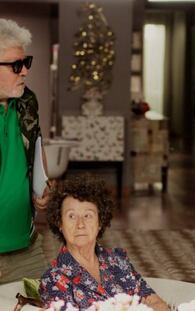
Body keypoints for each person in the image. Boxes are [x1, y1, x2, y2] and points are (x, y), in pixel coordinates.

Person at [40, 175, 168, 311]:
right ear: (60, 223)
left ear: (100, 222)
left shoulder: (118, 261)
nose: (80, 224)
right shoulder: (53, 280)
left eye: (88, 215)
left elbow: (160, 305)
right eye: (71, 216)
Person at [0, 18, 50, 284]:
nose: (24, 72)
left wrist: (41, 186)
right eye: (15, 65)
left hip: (25, 249)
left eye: (26, 62)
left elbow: (35, 143)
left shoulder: (27, 101)